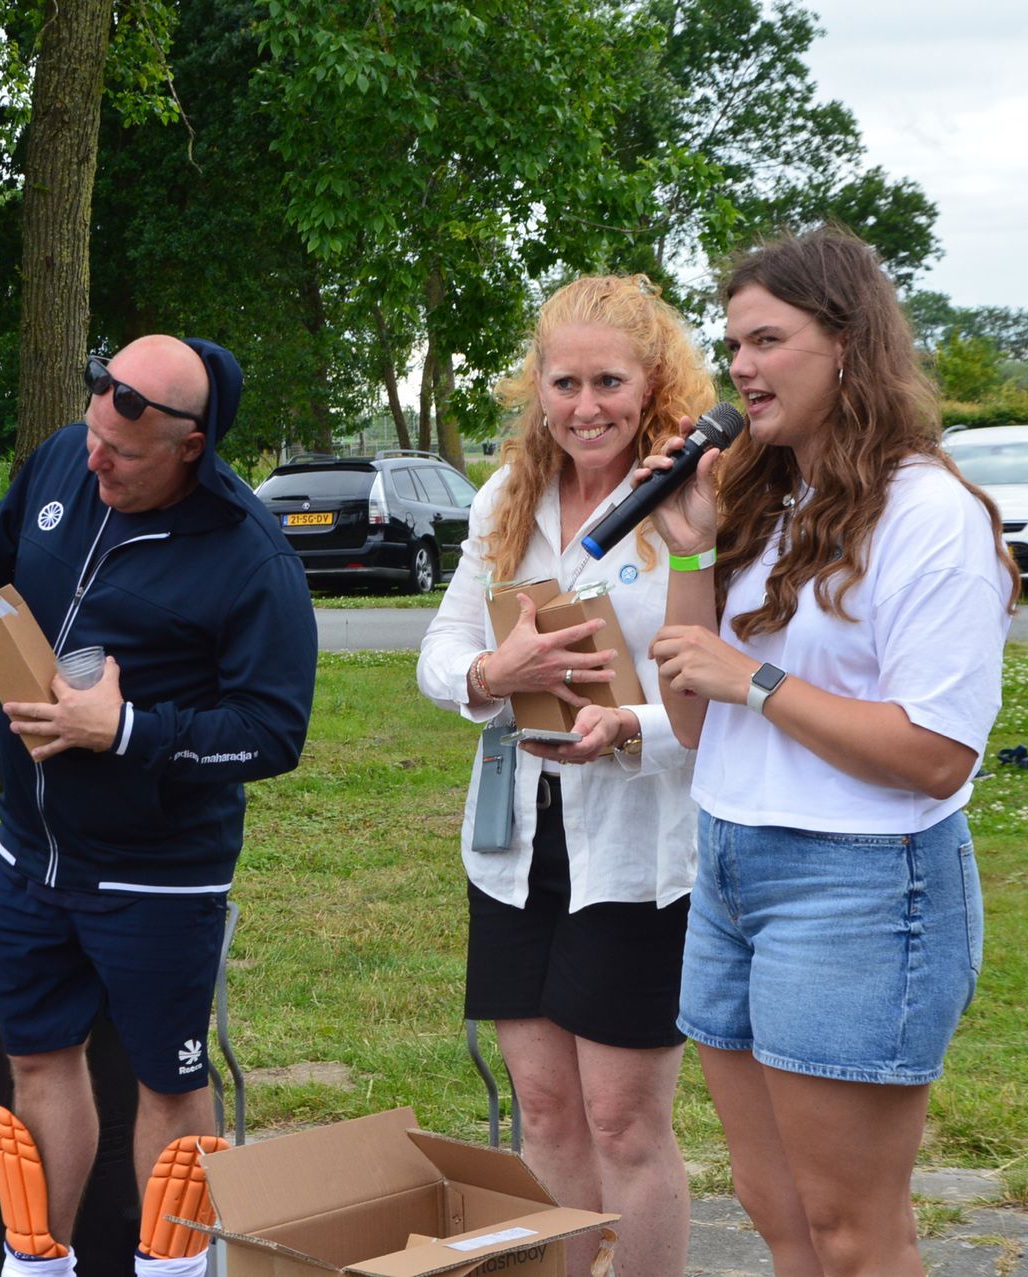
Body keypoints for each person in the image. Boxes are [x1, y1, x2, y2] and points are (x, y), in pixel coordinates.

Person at [0, 336, 317, 1277]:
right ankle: (39, 1266)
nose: (94, 463)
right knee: (38, 1059)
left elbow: (273, 732)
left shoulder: (251, 556)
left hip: (158, 871)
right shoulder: (65, 456)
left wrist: (125, 730)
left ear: (190, 446)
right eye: (90, 438)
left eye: (120, 454)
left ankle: (171, 1270)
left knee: (169, 1079)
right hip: (28, 850)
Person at [645, 228, 1019, 1276]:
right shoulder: (766, 503)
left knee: (852, 1230)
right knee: (777, 1212)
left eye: (768, 340)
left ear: (849, 343)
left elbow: (937, 753)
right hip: (730, 865)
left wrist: (755, 679)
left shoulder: (929, 514)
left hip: (858, 883)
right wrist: (690, 550)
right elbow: (693, 721)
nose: (742, 368)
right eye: (734, 345)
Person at [417, 275, 713, 1276]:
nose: (587, 406)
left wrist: (626, 727)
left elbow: (719, 693)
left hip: (640, 852)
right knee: (544, 1110)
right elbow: (440, 651)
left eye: (609, 382)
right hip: (515, 849)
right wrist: (492, 674)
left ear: (654, 382)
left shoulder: (692, 502)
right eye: (566, 382)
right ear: (535, 387)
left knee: (623, 1119)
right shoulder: (508, 496)